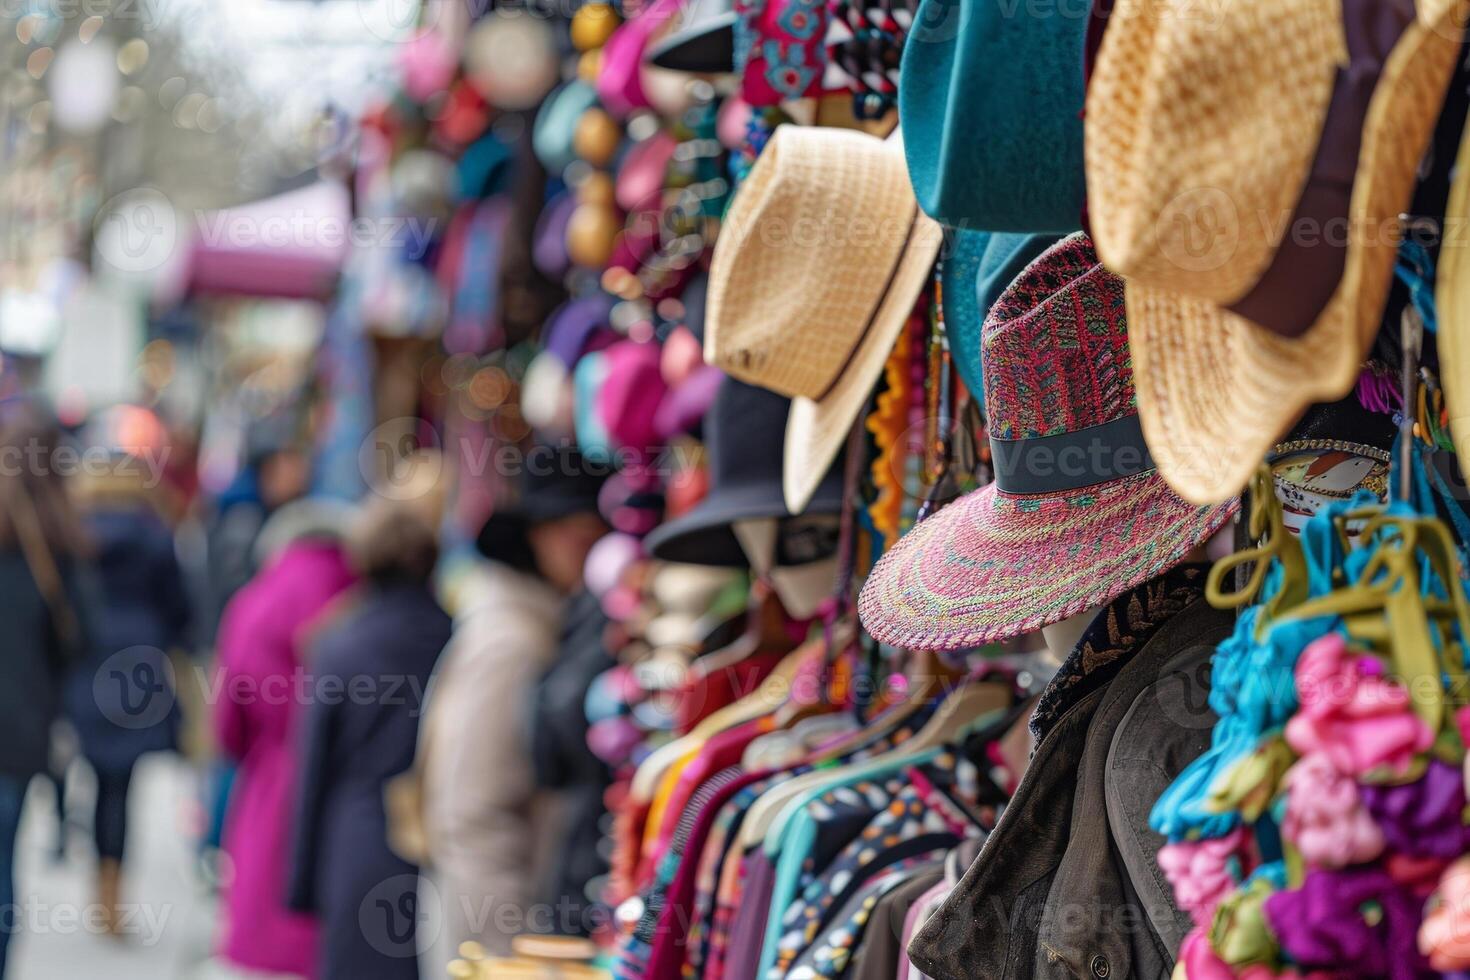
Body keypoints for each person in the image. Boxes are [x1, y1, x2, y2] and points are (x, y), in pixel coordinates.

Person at [416, 443, 608, 963]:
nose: (593, 550)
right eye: (580, 533)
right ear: (538, 537)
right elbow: (473, 813)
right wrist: (506, 954)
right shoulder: (512, 640)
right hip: (498, 934)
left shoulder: (531, 625)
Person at [287, 499, 451, 979]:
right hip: (436, 840)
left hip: (356, 840)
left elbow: (313, 768)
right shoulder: (452, 637)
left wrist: (302, 883)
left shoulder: (341, 643)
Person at [212, 498, 357, 977]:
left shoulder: (254, 602)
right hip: (348, 795)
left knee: (268, 924)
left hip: (272, 781)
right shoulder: (358, 601)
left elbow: (229, 720)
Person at [62, 408, 189, 935]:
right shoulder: (155, 536)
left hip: (86, 663)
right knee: (123, 786)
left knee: (94, 773)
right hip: (136, 669)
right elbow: (182, 610)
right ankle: (111, 897)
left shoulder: (74, 536)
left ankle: (97, 885)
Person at [0, 402, 89, 974]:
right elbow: (81, 639)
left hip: (19, 729)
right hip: (20, 732)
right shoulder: (60, 544)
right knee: (3, 865)